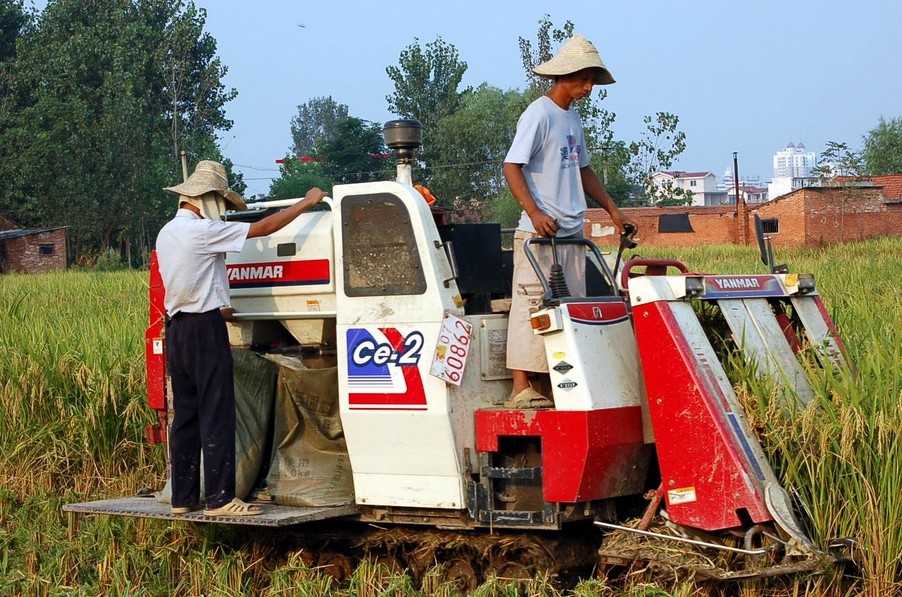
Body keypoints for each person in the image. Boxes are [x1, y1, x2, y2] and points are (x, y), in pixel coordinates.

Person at [156, 160, 327, 516]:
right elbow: (262, 229)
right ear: (207, 199)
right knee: (217, 411)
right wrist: (307, 202)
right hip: (204, 331)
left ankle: (183, 498)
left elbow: (193, 278)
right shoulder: (202, 232)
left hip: (179, 330)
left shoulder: (167, 232)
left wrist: (221, 305)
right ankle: (220, 499)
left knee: (185, 417)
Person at [503, 35, 635, 409]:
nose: (589, 87)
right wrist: (534, 211)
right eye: (583, 79)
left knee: (567, 308)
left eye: (592, 79)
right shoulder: (539, 114)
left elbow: (584, 169)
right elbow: (512, 167)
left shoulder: (572, 117)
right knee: (532, 303)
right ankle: (520, 387)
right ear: (564, 76)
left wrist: (612, 209)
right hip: (538, 232)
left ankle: (554, 387)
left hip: (572, 232)